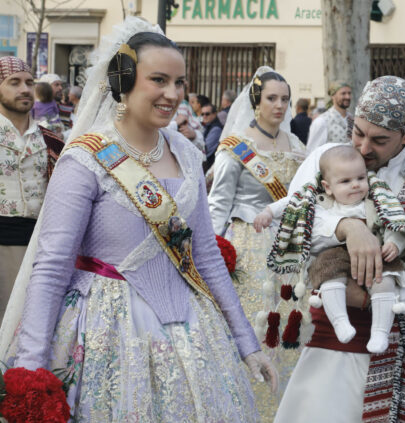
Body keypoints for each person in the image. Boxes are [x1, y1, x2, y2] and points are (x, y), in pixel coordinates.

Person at [0, 19, 275, 420]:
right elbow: (52, 266)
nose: (172, 94)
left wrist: (246, 344)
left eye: (178, 83)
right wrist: (30, 369)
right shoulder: (85, 158)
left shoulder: (186, 153)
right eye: (158, 79)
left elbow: (206, 256)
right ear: (123, 82)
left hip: (193, 332)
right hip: (106, 334)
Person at [273, 76, 405, 423]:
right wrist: (348, 227)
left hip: (397, 357)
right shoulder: (329, 158)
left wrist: (366, 296)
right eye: (358, 132)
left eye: (380, 139)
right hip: (329, 346)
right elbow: (292, 230)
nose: (364, 147)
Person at [207, 66, 306, 422]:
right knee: (255, 325)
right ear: (256, 101)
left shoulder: (295, 143)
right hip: (250, 245)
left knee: (290, 326)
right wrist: (214, 251)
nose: (279, 106)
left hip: (290, 251)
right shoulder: (236, 145)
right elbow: (218, 203)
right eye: (271, 99)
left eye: (284, 99)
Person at [257, 145, 405, 354]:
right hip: (335, 253)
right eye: (346, 181)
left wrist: (394, 243)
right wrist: (269, 212)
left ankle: (380, 332)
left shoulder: (378, 197)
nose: (356, 186)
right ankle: (340, 322)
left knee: (384, 280)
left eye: (360, 178)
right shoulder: (320, 198)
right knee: (327, 275)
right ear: (328, 186)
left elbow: (396, 221)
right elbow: (293, 202)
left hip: (374, 250)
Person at [0, 56, 63, 321]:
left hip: (41, 249)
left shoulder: (51, 139)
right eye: (14, 82)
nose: (24, 89)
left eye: (29, 82)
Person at [305, 81, 353, 153]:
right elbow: (313, 152)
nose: (348, 97)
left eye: (349, 93)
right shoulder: (321, 121)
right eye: (343, 93)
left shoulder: (352, 119)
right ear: (333, 96)